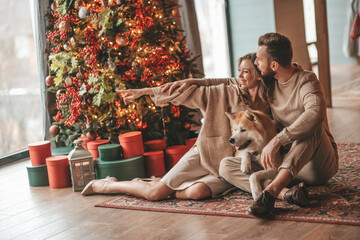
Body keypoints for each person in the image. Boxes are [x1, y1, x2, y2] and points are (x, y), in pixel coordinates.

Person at [81, 53, 269, 200]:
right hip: (207, 152)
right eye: (239, 70)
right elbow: (185, 91)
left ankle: (161, 185)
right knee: (154, 194)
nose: (240, 76)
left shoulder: (270, 100)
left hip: (231, 163)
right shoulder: (226, 91)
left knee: (198, 192)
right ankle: (108, 184)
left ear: (259, 73)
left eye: (246, 71)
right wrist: (145, 92)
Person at [219, 32, 339, 217]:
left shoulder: (307, 80)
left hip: (317, 164)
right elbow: (233, 81)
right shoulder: (269, 82)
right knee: (226, 166)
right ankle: (288, 194)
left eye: (259, 60)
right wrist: (193, 81)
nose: (256, 63)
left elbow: (314, 114)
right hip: (284, 163)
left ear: (274, 65)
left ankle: (270, 193)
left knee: (310, 125)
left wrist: (277, 140)